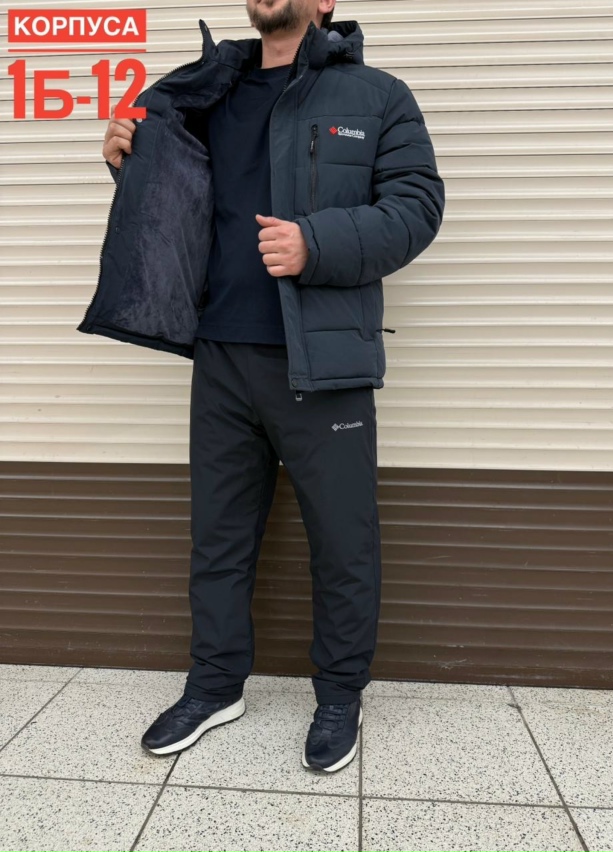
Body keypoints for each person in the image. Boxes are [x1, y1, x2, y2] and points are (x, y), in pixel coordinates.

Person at [98, 0, 445, 774]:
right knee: (218, 540)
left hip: (323, 362)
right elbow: (181, 202)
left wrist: (315, 242)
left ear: (325, 2)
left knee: (343, 542)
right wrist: (130, 161)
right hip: (221, 353)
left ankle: (340, 695)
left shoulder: (377, 96)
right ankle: (215, 685)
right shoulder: (206, 89)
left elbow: (418, 208)